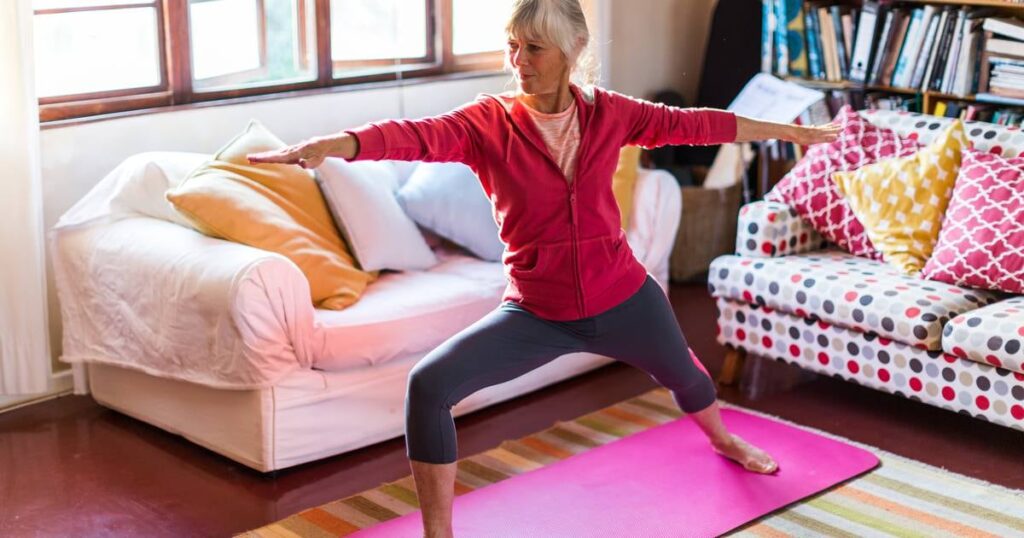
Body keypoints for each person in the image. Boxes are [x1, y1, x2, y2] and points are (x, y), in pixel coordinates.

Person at [249, 1, 840, 536]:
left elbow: (698, 124)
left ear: (572, 53)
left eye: (533, 48)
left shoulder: (611, 114)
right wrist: (338, 142)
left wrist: (786, 132)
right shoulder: (487, 124)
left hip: (624, 295)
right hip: (537, 312)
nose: (518, 60)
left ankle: (722, 438)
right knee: (427, 386)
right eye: (513, 45)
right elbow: (414, 137)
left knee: (686, 376)